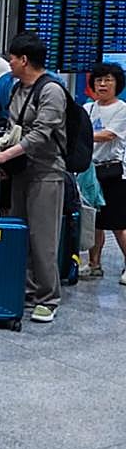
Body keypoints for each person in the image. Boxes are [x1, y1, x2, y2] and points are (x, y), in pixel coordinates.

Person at [0, 33, 66, 323]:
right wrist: (1, 154)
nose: (9, 63)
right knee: (19, 232)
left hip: (46, 173)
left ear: (24, 60)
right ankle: (28, 288)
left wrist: (6, 155)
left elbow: (42, 134)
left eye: (12, 58)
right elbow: (12, 127)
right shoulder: (16, 88)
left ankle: (48, 298)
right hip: (21, 170)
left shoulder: (52, 90)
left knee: (43, 238)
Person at [83, 62, 126, 284]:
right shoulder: (88, 108)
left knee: (119, 224)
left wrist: (82, 136)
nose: (102, 84)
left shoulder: (122, 109)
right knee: (94, 222)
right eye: (99, 80)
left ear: (117, 84)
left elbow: (108, 135)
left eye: (108, 79)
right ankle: (94, 264)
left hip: (116, 173)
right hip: (91, 172)